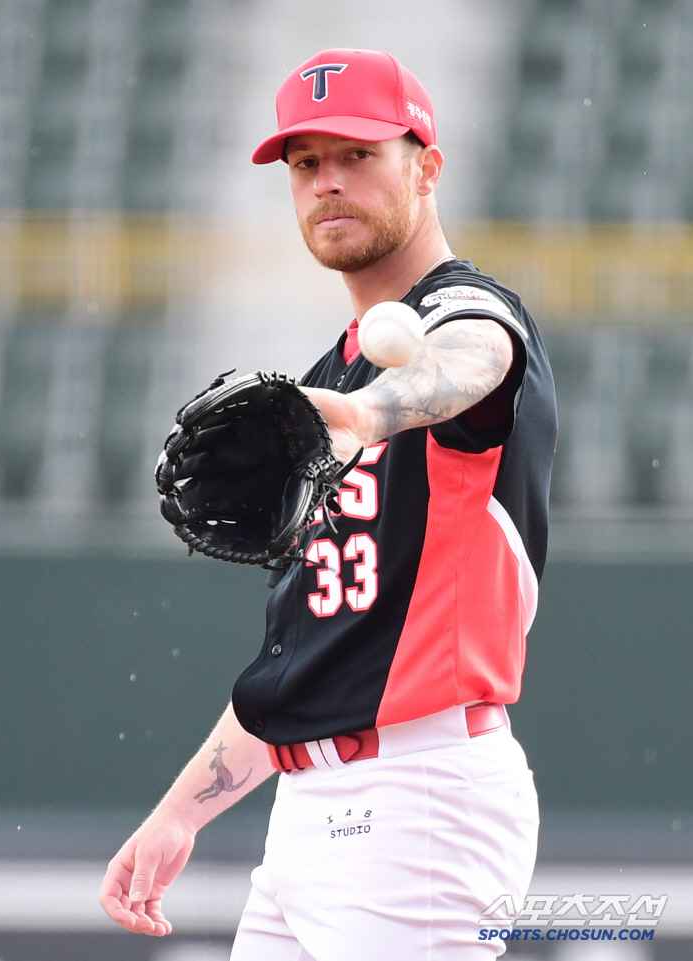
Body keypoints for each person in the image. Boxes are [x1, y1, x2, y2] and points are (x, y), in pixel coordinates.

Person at [100, 48, 558, 960]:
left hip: (420, 797)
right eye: (305, 162)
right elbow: (308, 658)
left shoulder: (464, 312)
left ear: (426, 166)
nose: (328, 181)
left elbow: (478, 355)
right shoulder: (324, 379)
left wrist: (364, 415)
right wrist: (179, 813)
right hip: (312, 812)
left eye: (358, 154)